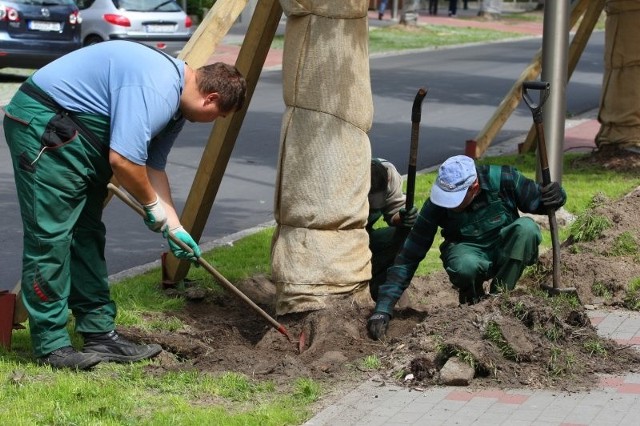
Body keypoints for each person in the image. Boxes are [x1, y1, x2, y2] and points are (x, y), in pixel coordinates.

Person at [3, 40, 247, 370]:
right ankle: (51, 345)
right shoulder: (158, 89)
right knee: (52, 239)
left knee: (86, 236)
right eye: (218, 115)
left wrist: (174, 226)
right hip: (46, 128)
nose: (213, 121)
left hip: (77, 137)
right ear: (211, 98)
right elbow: (124, 161)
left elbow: (152, 167)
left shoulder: (176, 105)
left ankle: (99, 333)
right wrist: (151, 206)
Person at [367, 155, 566, 340]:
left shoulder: (504, 178)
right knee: (465, 265)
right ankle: (472, 302)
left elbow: (540, 201)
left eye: (455, 199)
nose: (449, 205)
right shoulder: (436, 206)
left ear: (474, 187)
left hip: (504, 247)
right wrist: (383, 309)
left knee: (527, 229)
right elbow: (409, 256)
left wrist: (557, 195)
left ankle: (499, 299)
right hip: (467, 251)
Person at [367, 159, 418, 301]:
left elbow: (393, 213)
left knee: (409, 235)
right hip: (344, 243)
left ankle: (382, 283)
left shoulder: (389, 172)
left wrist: (403, 217)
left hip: (368, 239)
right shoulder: (344, 181)